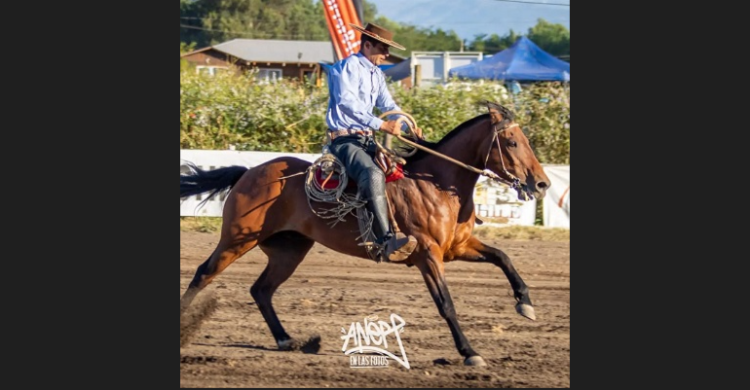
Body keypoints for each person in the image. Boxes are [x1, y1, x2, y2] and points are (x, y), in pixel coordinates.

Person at [324, 22, 418, 262]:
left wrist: (407, 123)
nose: (386, 54)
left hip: (365, 140)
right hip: (344, 140)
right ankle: (384, 239)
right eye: (382, 49)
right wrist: (382, 125)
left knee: (402, 172)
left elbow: (388, 105)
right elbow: (347, 103)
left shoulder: (377, 74)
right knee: (373, 174)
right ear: (367, 45)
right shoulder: (347, 67)